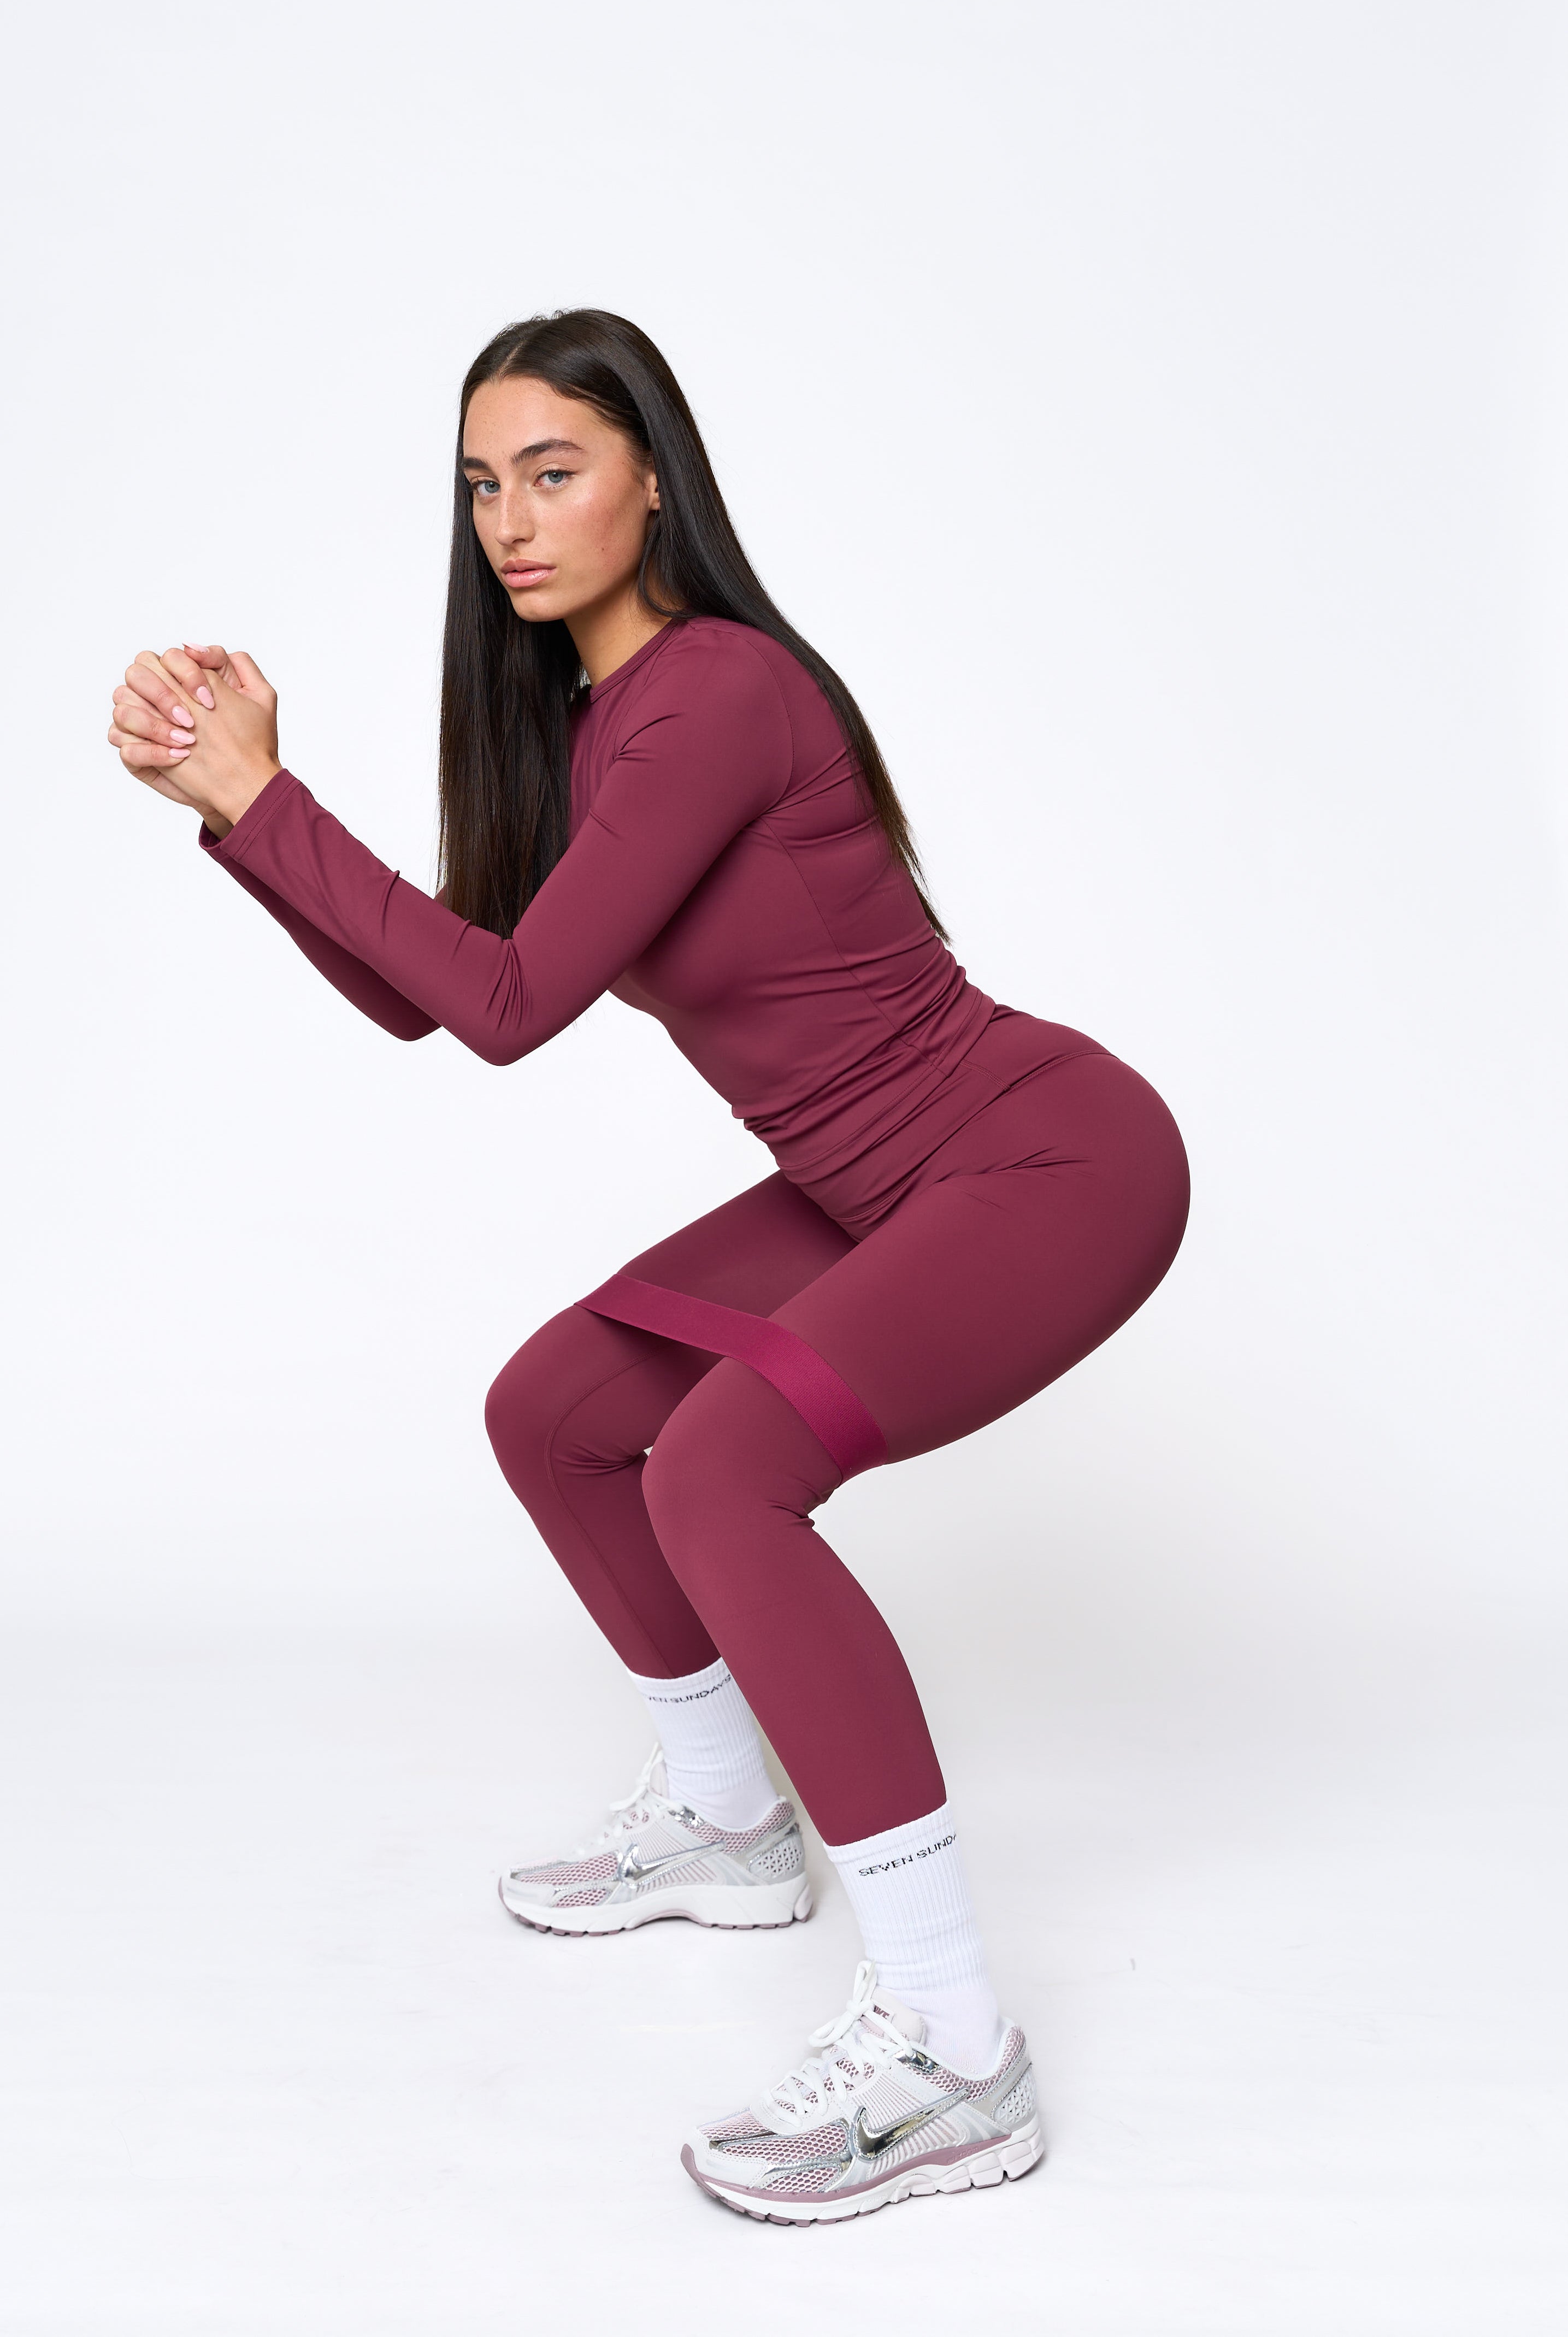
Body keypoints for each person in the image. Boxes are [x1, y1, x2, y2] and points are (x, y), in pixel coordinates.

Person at [108, 308, 1189, 2224]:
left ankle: (957, 2047)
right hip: (870, 1184)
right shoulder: (591, 719)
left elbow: (511, 1007)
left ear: (654, 481)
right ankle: (725, 1819)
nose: (511, 523)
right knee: (559, 1411)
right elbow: (437, 994)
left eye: (553, 471)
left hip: (1041, 1161)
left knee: (718, 1467)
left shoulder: (716, 691)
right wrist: (238, 818)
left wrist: (271, 802)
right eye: (480, 487)